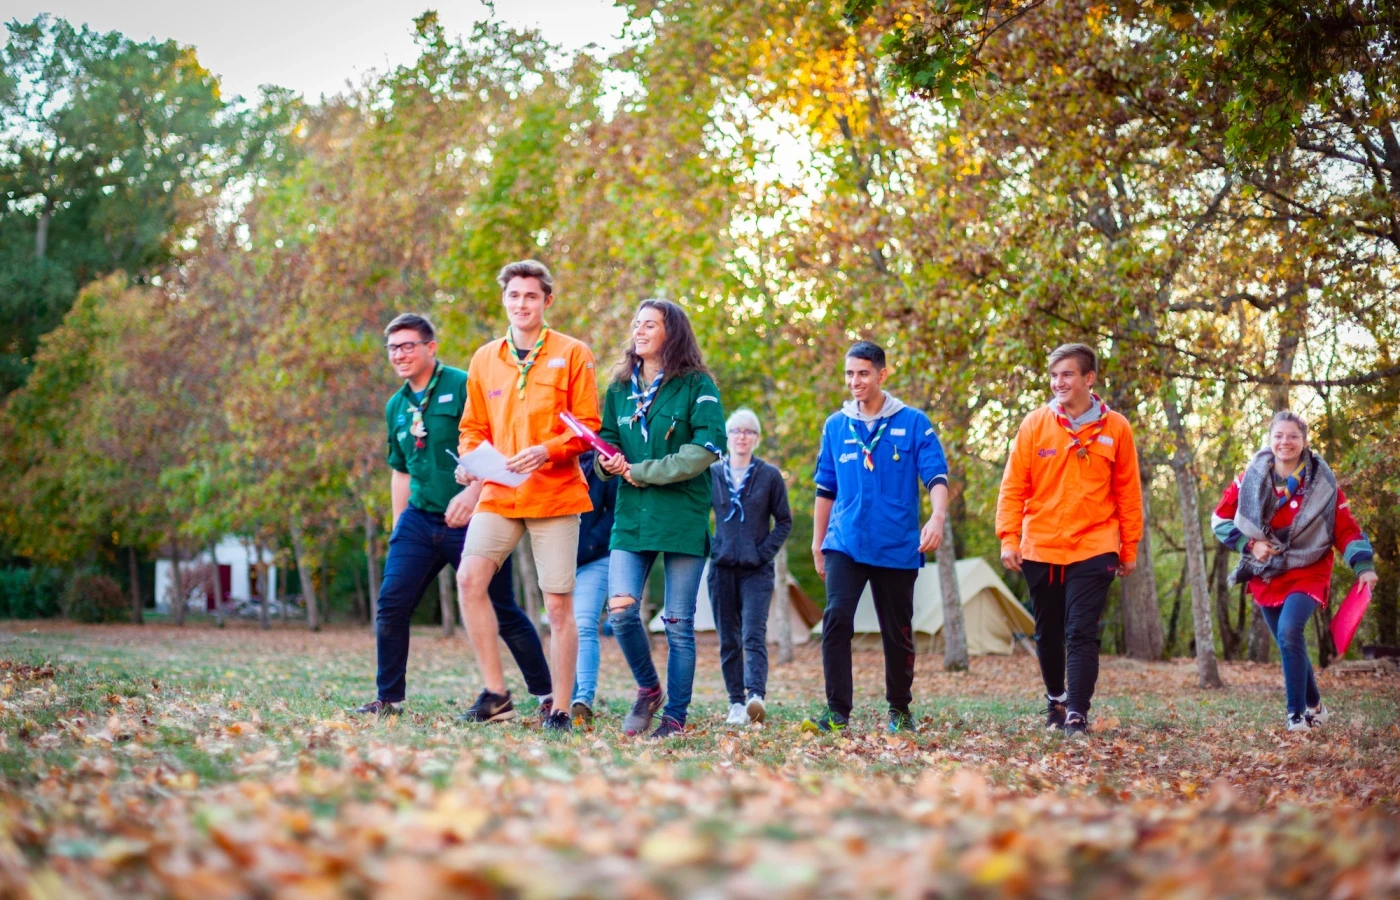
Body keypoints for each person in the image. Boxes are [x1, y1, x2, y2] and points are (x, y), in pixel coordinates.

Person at [348, 313, 552, 717]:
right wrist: (399, 526)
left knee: (503, 608)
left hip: (478, 517)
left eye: (408, 345)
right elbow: (401, 469)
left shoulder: (463, 384)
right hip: (420, 520)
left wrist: (473, 493)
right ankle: (389, 699)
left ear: (430, 347)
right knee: (391, 604)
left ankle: (547, 696)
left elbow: (494, 441)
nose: (400, 354)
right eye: (393, 348)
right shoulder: (397, 405)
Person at [455, 260, 600, 732]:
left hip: (555, 493)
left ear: (547, 301)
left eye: (531, 296)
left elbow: (589, 429)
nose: (522, 304)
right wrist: (471, 462)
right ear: (504, 299)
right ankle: (496, 694)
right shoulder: (484, 358)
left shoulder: (574, 353)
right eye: (514, 295)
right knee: (469, 580)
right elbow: (472, 428)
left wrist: (547, 450)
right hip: (499, 492)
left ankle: (560, 708)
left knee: (558, 606)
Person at [995, 343, 1143, 737]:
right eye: (1054, 375)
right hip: (1041, 544)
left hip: (1096, 544)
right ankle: (1056, 700)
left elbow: (1129, 494)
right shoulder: (1034, 424)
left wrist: (1128, 548)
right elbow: (1013, 487)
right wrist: (1009, 538)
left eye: (1067, 374)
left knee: (1081, 631)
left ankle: (1077, 712)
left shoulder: (1117, 428)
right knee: (1048, 632)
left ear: (1088, 378)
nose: (1058, 382)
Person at [595, 299, 727, 740]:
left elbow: (705, 450)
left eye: (649, 324)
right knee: (621, 612)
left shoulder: (698, 385)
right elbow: (607, 441)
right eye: (636, 323)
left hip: (681, 516)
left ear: (672, 333)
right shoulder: (617, 389)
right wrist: (608, 462)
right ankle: (649, 689)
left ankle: (675, 718)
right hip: (631, 517)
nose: (639, 330)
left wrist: (642, 472)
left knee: (678, 624)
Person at [805, 341, 949, 734]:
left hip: (897, 544)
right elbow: (825, 490)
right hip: (845, 542)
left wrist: (936, 518)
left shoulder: (914, 421)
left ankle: (900, 710)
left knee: (898, 631)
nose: (855, 381)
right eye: (849, 373)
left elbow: (936, 476)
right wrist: (818, 544)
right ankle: (837, 712)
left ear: (882, 375)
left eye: (863, 373)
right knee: (835, 619)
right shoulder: (836, 425)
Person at [1211, 410, 1377, 732]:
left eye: (1292, 436)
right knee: (1290, 642)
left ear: (1304, 441)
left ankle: (1295, 716)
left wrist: (1364, 567)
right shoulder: (1250, 477)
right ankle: (1316, 706)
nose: (1284, 442)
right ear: (1270, 439)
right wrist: (1250, 545)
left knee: (1289, 631)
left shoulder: (1323, 483)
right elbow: (1219, 520)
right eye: (1278, 436)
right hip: (1267, 572)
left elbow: (1346, 530)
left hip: (1309, 568)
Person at [708, 408, 792, 726]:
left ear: (756, 438)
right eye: (736, 431)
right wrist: (712, 547)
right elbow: (696, 514)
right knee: (729, 638)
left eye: (748, 432)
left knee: (753, 634)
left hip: (757, 570)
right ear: (727, 437)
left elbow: (784, 520)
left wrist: (763, 552)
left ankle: (756, 696)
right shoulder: (713, 473)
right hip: (721, 570)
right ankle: (735, 703)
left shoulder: (769, 475)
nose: (742, 437)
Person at [570, 448, 618, 726]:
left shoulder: (603, 459)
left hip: (595, 556)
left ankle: (583, 699)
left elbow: (613, 511)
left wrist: (590, 542)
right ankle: (562, 694)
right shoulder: (553, 457)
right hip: (557, 555)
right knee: (563, 624)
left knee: (585, 623)